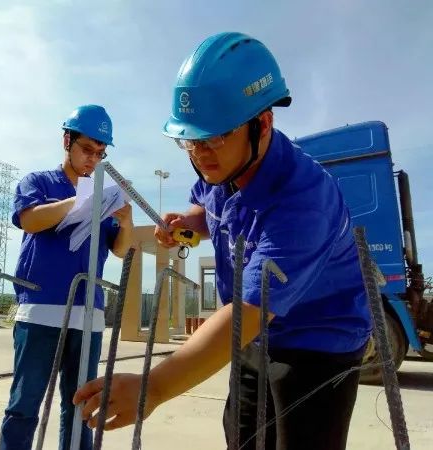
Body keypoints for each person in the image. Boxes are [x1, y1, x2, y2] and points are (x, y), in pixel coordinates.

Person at [74, 33, 372, 449]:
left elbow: (249, 311)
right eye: (189, 142)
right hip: (251, 338)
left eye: (212, 138)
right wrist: (190, 222)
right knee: (242, 438)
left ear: (262, 124)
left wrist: (153, 387)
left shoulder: (305, 201)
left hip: (316, 344)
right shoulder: (221, 165)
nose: (199, 154)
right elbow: (209, 208)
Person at [0, 104, 133, 450]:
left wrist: (126, 220)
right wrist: (80, 202)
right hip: (41, 310)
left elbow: (120, 250)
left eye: (100, 153)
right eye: (87, 149)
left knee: (80, 407)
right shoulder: (39, 182)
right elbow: (30, 220)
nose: (93, 159)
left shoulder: (104, 195)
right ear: (66, 141)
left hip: (88, 315)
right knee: (24, 404)